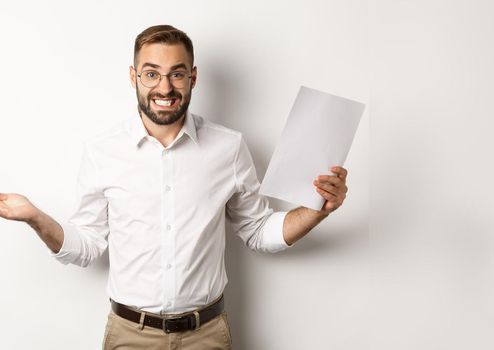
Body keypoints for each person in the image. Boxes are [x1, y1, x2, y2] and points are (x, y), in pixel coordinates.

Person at [0, 24, 349, 350]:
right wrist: (33, 216)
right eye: (151, 74)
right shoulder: (102, 152)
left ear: (192, 77)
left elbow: (258, 231)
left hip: (207, 336)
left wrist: (318, 209)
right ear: (134, 77)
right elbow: (86, 248)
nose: (164, 88)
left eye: (176, 74)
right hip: (129, 336)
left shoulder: (229, 148)